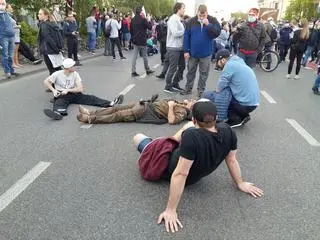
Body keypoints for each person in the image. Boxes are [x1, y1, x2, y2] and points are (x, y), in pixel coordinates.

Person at [132, 100, 263, 233]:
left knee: (138, 137)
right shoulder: (228, 131)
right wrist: (240, 183)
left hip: (166, 166)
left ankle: (155, 143)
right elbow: (232, 160)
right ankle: (162, 141)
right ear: (216, 117)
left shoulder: (191, 136)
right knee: (180, 134)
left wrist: (171, 210)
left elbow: (180, 174)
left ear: (194, 120)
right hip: (193, 174)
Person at [43, 58, 124, 120]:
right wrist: (54, 90)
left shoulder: (75, 74)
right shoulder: (57, 74)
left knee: (91, 98)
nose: (75, 66)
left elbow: (80, 89)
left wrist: (68, 90)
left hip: (74, 93)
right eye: (73, 66)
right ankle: (57, 114)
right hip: (62, 94)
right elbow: (46, 81)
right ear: (68, 68)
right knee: (59, 102)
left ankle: (112, 103)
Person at [202, 49, 260, 128]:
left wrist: (215, 95)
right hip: (253, 103)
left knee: (224, 94)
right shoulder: (239, 62)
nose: (217, 65)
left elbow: (220, 86)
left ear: (223, 60)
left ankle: (236, 119)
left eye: (217, 62)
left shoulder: (229, 65)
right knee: (228, 91)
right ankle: (243, 115)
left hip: (245, 104)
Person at [181, 4, 221, 97]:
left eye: (204, 16)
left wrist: (208, 25)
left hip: (206, 53)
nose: (202, 17)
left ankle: (201, 91)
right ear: (197, 12)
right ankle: (188, 88)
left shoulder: (212, 20)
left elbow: (217, 33)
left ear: (207, 13)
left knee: (204, 73)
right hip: (193, 53)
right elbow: (186, 36)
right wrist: (186, 50)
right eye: (200, 15)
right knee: (190, 72)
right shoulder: (191, 21)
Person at [76, 95, 195, 125]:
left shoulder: (183, 112)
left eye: (193, 101)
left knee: (118, 115)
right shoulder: (181, 104)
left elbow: (171, 121)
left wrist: (170, 106)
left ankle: (90, 119)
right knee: (115, 108)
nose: (190, 99)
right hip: (145, 104)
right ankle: (90, 112)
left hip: (145, 112)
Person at [163, 2, 186, 94]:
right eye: (183, 8)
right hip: (173, 47)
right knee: (173, 67)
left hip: (179, 47)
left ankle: (175, 83)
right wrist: (185, 31)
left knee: (182, 66)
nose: (184, 10)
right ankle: (168, 86)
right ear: (178, 9)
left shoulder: (178, 19)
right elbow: (175, 33)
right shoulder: (173, 19)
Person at [130, 6, 154, 77]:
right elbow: (150, 27)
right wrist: (149, 20)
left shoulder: (133, 19)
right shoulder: (143, 19)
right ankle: (147, 69)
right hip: (142, 40)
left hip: (135, 40)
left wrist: (133, 37)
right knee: (145, 56)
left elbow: (131, 30)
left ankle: (133, 71)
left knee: (134, 56)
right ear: (140, 12)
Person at [38, 8, 63, 76]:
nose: (38, 15)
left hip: (48, 50)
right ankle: (62, 84)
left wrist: (55, 48)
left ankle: (53, 86)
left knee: (52, 70)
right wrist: (57, 49)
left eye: (40, 14)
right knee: (58, 68)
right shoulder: (52, 23)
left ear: (46, 15)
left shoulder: (44, 25)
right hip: (55, 49)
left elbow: (48, 38)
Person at [0, 0, 19, 79]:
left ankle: (11, 70)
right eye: (0, 4)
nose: (2, 5)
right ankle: (7, 72)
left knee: (10, 55)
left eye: (3, 4)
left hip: (11, 36)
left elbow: (12, 24)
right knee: (5, 55)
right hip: (3, 37)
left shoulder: (7, 14)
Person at [6, 4, 22, 68]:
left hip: (17, 35)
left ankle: (17, 62)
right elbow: (8, 26)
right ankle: (13, 64)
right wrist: (17, 26)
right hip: (13, 36)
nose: (11, 8)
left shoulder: (11, 16)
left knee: (16, 51)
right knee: (13, 51)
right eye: (10, 7)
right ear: (6, 9)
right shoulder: (6, 16)